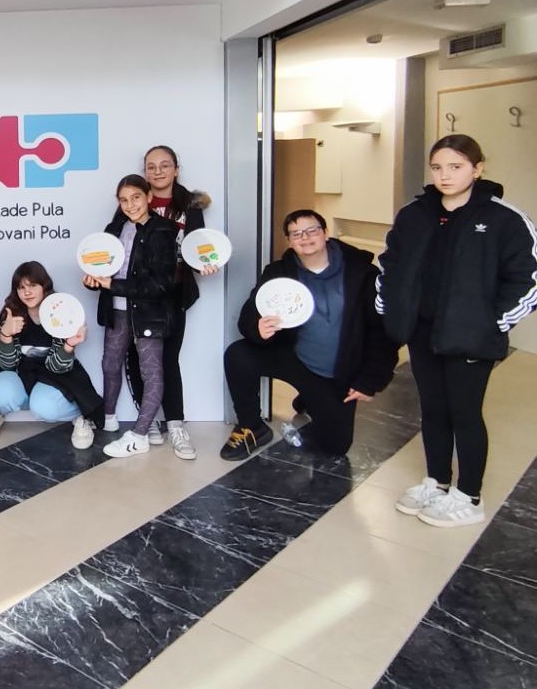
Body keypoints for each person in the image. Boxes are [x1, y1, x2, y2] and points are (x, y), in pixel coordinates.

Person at [379, 135, 537, 528]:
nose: (445, 176)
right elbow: (390, 264)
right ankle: (437, 482)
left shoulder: (504, 219)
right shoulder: (414, 215)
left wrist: (492, 323)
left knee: (464, 413)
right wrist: (393, 310)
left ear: (477, 169)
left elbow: (528, 279)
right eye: (437, 168)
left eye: (456, 167)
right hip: (422, 332)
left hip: (470, 336)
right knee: (432, 410)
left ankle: (469, 496)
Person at [221, 209, 397, 462]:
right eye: (296, 234)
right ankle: (252, 426)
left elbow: (381, 333)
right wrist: (256, 327)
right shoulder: (279, 273)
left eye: (311, 230)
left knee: (336, 445)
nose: (304, 238)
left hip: (335, 372)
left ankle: (310, 399)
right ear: (289, 241)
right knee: (238, 354)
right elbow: (251, 312)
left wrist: (370, 380)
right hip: (295, 358)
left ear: (325, 233)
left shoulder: (362, 274)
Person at [82, 175, 182, 458]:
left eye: (136, 197)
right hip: (116, 310)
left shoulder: (164, 230)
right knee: (109, 363)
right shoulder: (113, 229)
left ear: (148, 196)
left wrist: (113, 285)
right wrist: (93, 281)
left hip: (149, 315)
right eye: (124, 200)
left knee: (151, 373)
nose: (130, 205)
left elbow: (162, 284)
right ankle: (109, 419)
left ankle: (139, 435)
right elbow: (103, 269)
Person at [0, 261, 104, 449]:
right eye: (21, 287)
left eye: (33, 285)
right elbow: (7, 365)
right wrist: (6, 335)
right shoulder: (11, 315)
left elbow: (56, 367)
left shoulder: (60, 313)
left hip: (53, 373)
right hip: (19, 372)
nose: (27, 292)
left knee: (45, 408)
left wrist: (69, 345)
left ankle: (80, 416)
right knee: (0, 393)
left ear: (44, 286)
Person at [131, 145, 217, 453]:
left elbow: (198, 247)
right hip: (139, 294)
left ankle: (176, 425)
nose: (158, 171)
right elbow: (118, 244)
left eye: (164, 165)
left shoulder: (189, 206)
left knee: (168, 358)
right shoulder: (135, 200)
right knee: (138, 358)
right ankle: (147, 419)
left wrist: (205, 263)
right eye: (151, 166)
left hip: (175, 293)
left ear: (176, 169)